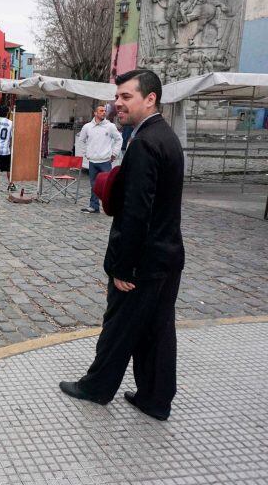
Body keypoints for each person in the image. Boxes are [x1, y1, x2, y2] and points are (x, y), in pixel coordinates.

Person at [59, 69, 185, 422]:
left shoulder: (145, 142)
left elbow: (136, 212)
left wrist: (123, 267)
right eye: (117, 97)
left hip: (143, 261)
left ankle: (97, 387)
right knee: (157, 331)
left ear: (150, 99)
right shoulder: (165, 135)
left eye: (126, 97)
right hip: (166, 255)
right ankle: (155, 399)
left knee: (119, 325)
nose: (118, 104)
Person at [77, 105, 122, 213]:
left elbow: (119, 139)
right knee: (94, 185)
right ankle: (94, 206)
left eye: (104, 111)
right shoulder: (87, 127)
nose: (103, 113)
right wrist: (86, 153)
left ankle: (111, 206)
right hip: (92, 161)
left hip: (105, 161)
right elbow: (81, 140)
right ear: (95, 113)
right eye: (101, 111)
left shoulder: (110, 126)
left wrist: (114, 154)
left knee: (108, 185)